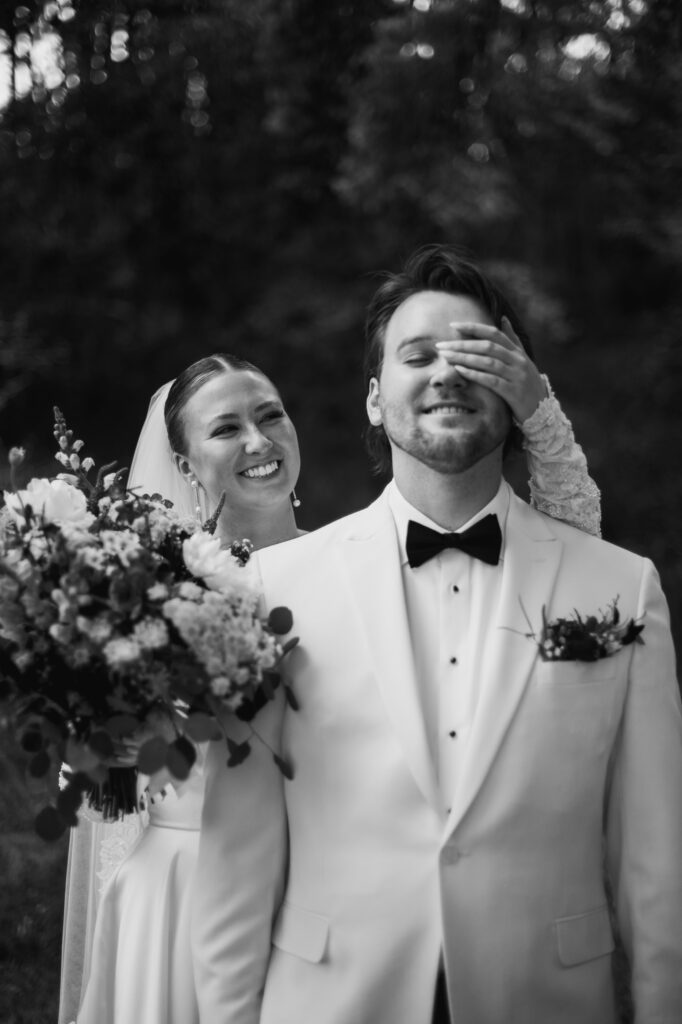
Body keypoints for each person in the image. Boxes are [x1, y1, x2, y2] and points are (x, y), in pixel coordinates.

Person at [193, 246, 682, 1024]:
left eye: (475, 353)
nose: (446, 374)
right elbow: (235, 859)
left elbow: (655, 864)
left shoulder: (622, 587)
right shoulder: (271, 588)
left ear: (518, 393)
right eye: (418, 355)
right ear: (374, 398)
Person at [59, 353, 302, 1024]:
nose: (259, 441)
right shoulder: (140, 593)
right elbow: (94, 796)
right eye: (226, 429)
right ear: (185, 462)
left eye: (271, 415)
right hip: (180, 897)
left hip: (322, 892)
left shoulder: (357, 564)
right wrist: (134, 750)